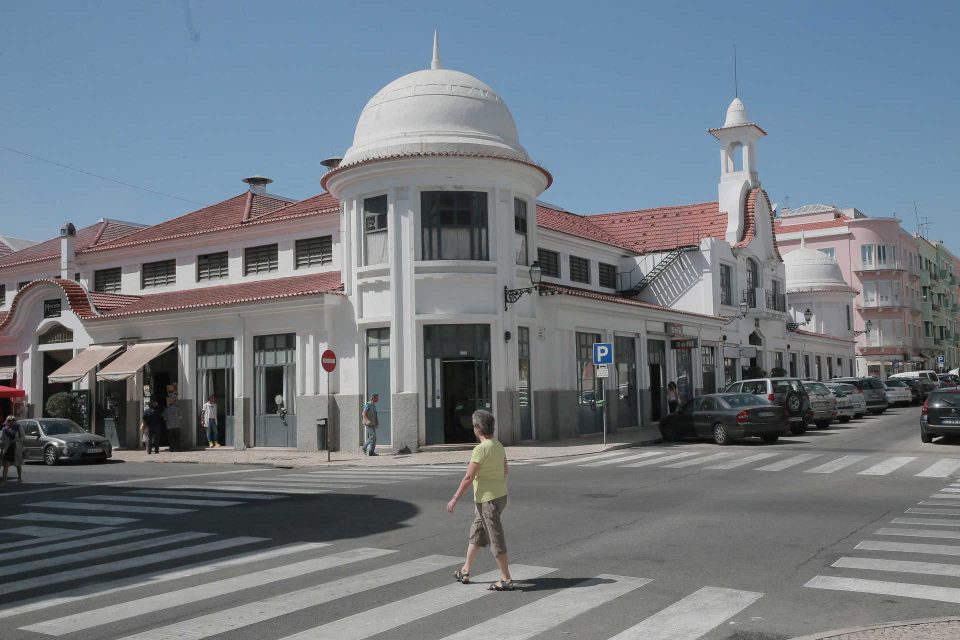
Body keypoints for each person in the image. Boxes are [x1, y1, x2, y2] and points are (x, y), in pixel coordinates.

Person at [446, 409, 513, 591]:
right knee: (477, 532)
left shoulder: (480, 449)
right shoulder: (498, 445)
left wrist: (454, 499)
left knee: (495, 537)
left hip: (487, 500)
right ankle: (465, 570)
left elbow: (468, 477)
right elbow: (505, 469)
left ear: (477, 428)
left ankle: (506, 579)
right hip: (498, 496)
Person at [0, 416, 24, 487]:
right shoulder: (5, 429)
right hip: (7, 449)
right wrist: (1, 450)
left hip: (16, 449)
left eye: (13, 420)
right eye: (9, 420)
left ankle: (19, 477)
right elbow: (2, 441)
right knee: (5, 466)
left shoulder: (18, 428)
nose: (11, 422)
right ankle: (4, 481)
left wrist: (16, 440)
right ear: (6, 421)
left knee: (18, 465)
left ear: (15, 421)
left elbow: (23, 438)